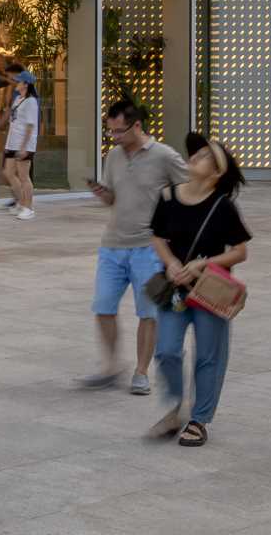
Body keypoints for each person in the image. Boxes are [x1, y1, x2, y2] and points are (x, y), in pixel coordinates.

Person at [146, 138, 252, 448]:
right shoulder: (168, 197)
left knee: (209, 357)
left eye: (206, 156)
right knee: (166, 350)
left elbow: (240, 251)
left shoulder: (222, 206)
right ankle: (174, 408)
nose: (196, 156)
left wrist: (204, 263)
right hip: (175, 289)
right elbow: (157, 237)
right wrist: (170, 263)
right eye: (197, 153)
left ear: (216, 172)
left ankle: (199, 420)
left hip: (210, 291)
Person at [82, 99, 186, 392]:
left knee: (148, 313)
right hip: (112, 245)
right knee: (103, 307)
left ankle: (141, 372)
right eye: (110, 132)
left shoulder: (164, 156)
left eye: (120, 131)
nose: (115, 138)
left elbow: (190, 189)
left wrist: (174, 231)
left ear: (137, 125)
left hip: (148, 248)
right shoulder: (113, 157)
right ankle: (111, 366)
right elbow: (114, 198)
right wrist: (102, 193)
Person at [0, 66, 40, 219]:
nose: (16, 83)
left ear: (26, 84)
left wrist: (24, 147)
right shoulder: (18, 99)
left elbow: (30, 126)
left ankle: (29, 207)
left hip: (24, 144)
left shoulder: (31, 102)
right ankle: (21, 202)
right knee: (8, 172)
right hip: (12, 142)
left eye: (19, 82)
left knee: (24, 176)